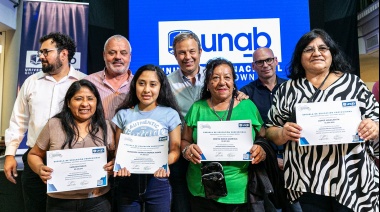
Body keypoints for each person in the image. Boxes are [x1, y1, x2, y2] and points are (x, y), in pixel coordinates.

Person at [266, 29, 379, 212]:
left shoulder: (353, 84)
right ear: (299, 57)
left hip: (352, 177)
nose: (316, 53)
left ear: (331, 53)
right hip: (308, 179)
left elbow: (377, 119)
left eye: (322, 48)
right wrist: (282, 133)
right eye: (308, 49)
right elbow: (270, 129)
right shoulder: (287, 90)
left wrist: (373, 126)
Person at [3, 32, 86, 212]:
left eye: (46, 52)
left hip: (70, 160)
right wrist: (10, 154)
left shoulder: (83, 82)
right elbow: (18, 120)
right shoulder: (31, 82)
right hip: (35, 158)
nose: (41, 56)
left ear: (64, 54)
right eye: (40, 52)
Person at [168, 31, 249, 212]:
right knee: (186, 204)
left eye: (192, 51)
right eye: (181, 52)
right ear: (174, 54)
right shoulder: (166, 83)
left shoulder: (216, 75)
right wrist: (186, 147)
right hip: (185, 152)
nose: (187, 57)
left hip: (224, 152)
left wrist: (239, 95)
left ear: (200, 51)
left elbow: (232, 99)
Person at [181, 57, 267, 211]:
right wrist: (187, 150)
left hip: (240, 191)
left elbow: (263, 137)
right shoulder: (197, 108)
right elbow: (185, 140)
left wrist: (261, 150)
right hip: (201, 190)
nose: (222, 82)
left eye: (227, 77)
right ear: (207, 83)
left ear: (234, 82)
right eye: (215, 78)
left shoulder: (248, 106)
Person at [27, 79, 115, 211]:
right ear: (68, 102)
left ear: (97, 102)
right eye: (78, 99)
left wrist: (113, 164)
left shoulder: (106, 126)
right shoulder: (54, 125)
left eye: (90, 99)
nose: (85, 104)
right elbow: (33, 154)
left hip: (97, 201)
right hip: (59, 202)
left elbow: (116, 157)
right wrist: (40, 168)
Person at [112, 64, 182, 211]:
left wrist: (164, 163)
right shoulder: (123, 114)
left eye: (153, 84)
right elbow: (118, 150)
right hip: (127, 182)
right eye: (141, 83)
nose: (146, 90)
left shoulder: (170, 114)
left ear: (161, 87)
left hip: (157, 182)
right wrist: (120, 163)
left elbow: (175, 149)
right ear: (134, 85)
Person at [240, 47, 302, 211]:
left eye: (268, 60)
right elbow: (247, 133)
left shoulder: (293, 88)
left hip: (296, 162)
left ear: (276, 61)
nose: (265, 65)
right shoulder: (245, 94)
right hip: (265, 164)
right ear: (253, 66)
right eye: (259, 62)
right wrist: (273, 160)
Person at [85, 34, 133, 122]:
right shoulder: (88, 83)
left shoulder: (139, 85)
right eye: (112, 53)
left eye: (123, 53)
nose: (118, 57)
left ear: (130, 57)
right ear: (104, 55)